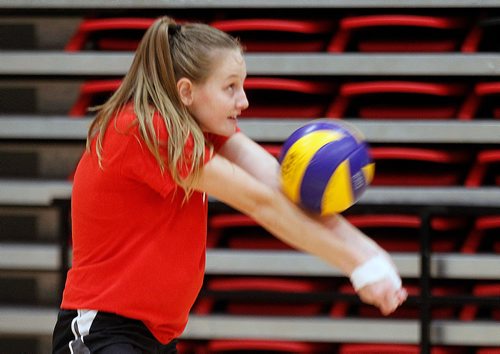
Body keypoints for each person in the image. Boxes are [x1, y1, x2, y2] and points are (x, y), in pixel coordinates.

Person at [52, 16, 407, 354]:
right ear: (187, 91)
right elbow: (259, 203)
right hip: (101, 328)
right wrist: (357, 267)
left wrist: (371, 253)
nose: (244, 100)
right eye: (231, 87)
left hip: (155, 336)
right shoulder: (145, 129)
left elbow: (282, 190)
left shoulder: (202, 129)